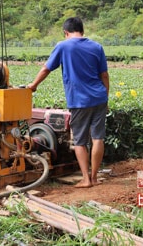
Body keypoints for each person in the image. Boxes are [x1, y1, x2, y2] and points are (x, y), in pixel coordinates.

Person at [27, 17, 110, 188]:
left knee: (80, 141)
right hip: (99, 97)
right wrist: (105, 97)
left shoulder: (63, 46)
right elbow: (105, 75)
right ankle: (95, 177)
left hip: (79, 100)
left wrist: (33, 85)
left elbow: (46, 68)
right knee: (98, 138)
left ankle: (86, 179)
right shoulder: (97, 47)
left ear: (66, 32)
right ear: (82, 31)